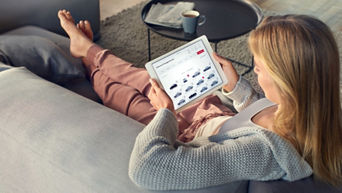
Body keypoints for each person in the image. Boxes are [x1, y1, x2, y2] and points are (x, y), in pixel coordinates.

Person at [57, 10, 342, 190]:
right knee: (145, 78)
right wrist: (237, 88)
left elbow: (146, 169)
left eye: (259, 67)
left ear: (285, 78)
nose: (254, 69)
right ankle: (90, 50)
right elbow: (262, 119)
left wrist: (165, 113)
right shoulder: (312, 111)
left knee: (122, 96)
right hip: (215, 115)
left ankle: (86, 58)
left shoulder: (262, 153)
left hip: (184, 132)